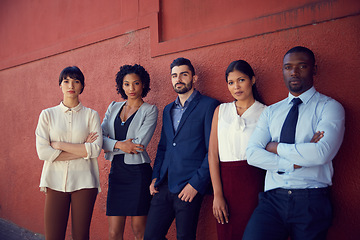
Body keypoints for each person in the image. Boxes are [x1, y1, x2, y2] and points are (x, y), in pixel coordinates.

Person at [243, 46, 345, 240]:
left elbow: (322, 153)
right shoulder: (271, 112)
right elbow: (252, 154)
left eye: (302, 66)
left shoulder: (330, 107)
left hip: (311, 201)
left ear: (314, 69)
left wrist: (275, 147)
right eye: (288, 67)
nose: (294, 72)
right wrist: (295, 161)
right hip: (272, 201)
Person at [144, 57, 220, 240]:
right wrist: (155, 177)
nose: (178, 79)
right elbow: (163, 147)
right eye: (174, 75)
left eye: (183, 74)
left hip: (189, 187)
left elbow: (212, 150)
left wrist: (196, 184)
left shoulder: (209, 106)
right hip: (164, 185)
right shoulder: (168, 109)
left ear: (193, 78)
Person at [35, 66, 102, 240]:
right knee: (53, 236)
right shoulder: (47, 115)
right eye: (66, 81)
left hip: (85, 181)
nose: (71, 85)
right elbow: (43, 152)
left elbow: (95, 149)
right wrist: (82, 149)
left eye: (76, 81)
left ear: (82, 87)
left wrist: (58, 144)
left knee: (81, 236)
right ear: (60, 85)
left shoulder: (91, 115)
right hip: (54, 180)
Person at [208, 60, 266, 239]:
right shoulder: (221, 110)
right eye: (231, 82)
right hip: (226, 185)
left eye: (241, 80)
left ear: (253, 80)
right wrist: (217, 195)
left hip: (254, 182)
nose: (236, 87)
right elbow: (212, 154)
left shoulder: (266, 112)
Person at [102, 64, 158, 240]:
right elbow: (99, 138)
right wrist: (119, 144)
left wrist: (110, 143)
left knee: (138, 230)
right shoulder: (113, 107)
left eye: (136, 83)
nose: (131, 88)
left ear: (143, 85)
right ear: (121, 85)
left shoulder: (150, 110)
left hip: (138, 174)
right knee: (113, 232)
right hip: (117, 173)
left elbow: (138, 145)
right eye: (126, 84)